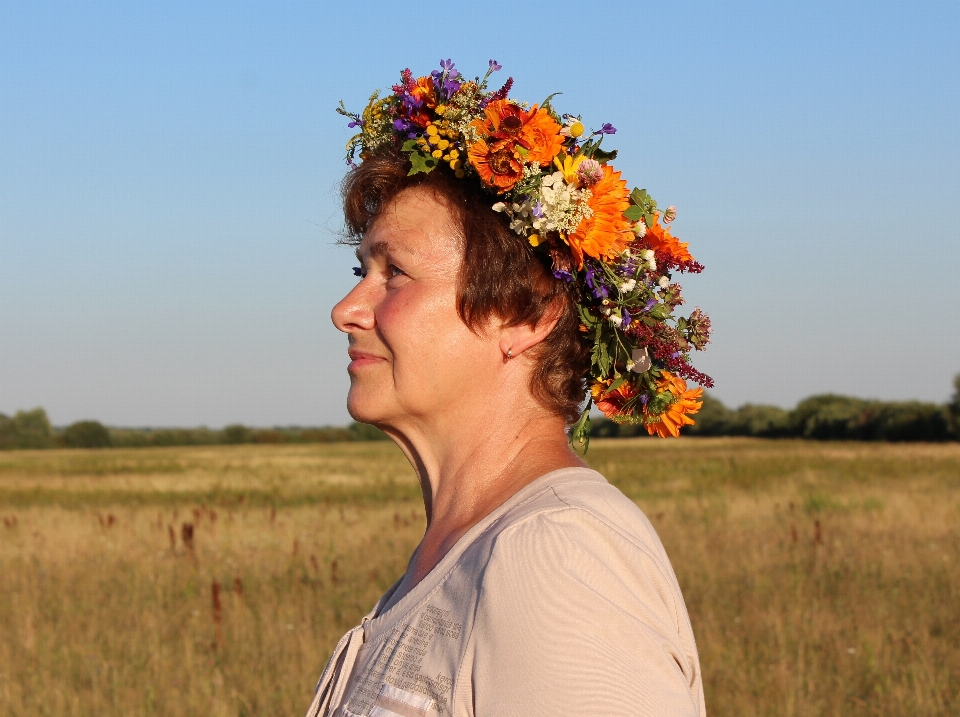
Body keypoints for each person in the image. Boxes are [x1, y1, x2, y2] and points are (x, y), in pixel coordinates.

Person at [307, 60, 712, 717]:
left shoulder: (557, 559)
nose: (346, 308)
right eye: (362, 268)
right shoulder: (466, 549)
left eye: (395, 273)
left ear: (525, 316)